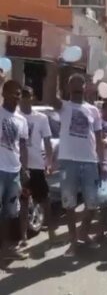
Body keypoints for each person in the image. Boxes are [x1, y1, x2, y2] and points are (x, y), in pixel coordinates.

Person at [50, 73, 107, 257]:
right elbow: (51, 96)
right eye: (72, 84)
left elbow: (98, 139)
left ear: (84, 87)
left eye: (79, 84)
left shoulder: (93, 110)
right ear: (68, 88)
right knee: (69, 204)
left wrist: (103, 162)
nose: (76, 88)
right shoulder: (63, 106)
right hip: (68, 163)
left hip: (90, 162)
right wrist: (56, 69)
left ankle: (83, 233)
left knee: (93, 204)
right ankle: (74, 241)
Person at [18, 86, 58, 247]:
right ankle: (23, 237)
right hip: (20, 167)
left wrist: (49, 162)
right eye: (22, 95)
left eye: (27, 95)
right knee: (23, 202)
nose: (24, 98)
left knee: (44, 199)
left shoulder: (41, 118)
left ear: (33, 97)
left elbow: (48, 141)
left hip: (36, 166)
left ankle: (51, 232)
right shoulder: (15, 116)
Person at [0, 80, 29, 260]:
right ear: (3, 93)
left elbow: (23, 145)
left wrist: (24, 168)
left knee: (11, 212)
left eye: (18, 93)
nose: (16, 96)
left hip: (14, 172)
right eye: (12, 92)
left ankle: (6, 249)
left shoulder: (22, 119)